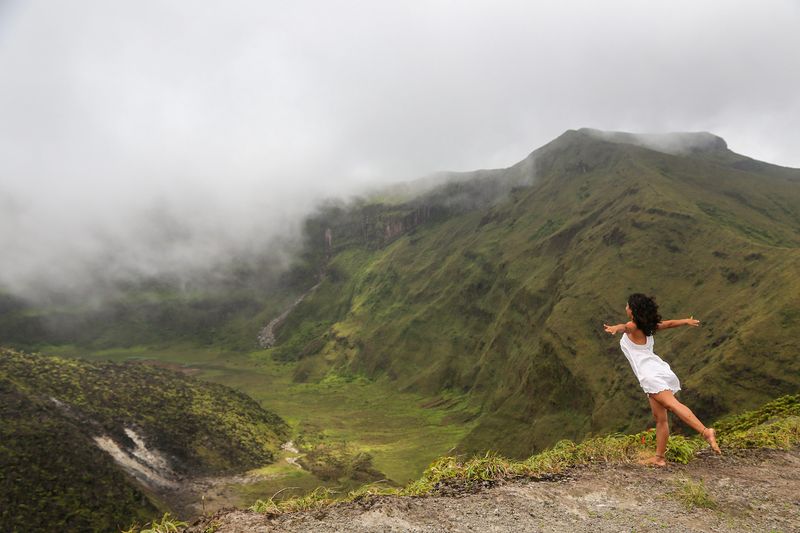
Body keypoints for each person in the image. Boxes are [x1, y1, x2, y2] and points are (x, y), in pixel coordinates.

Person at [603, 293, 721, 466]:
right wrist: (686, 321)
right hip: (657, 369)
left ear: (633, 310)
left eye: (627, 305)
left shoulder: (633, 326)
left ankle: (705, 432)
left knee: (672, 405)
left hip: (650, 375)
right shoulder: (649, 326)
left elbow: (625, 327)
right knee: (660, 419)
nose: (625, 308)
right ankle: (659, 458)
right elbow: (670, 324)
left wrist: (616, 328)